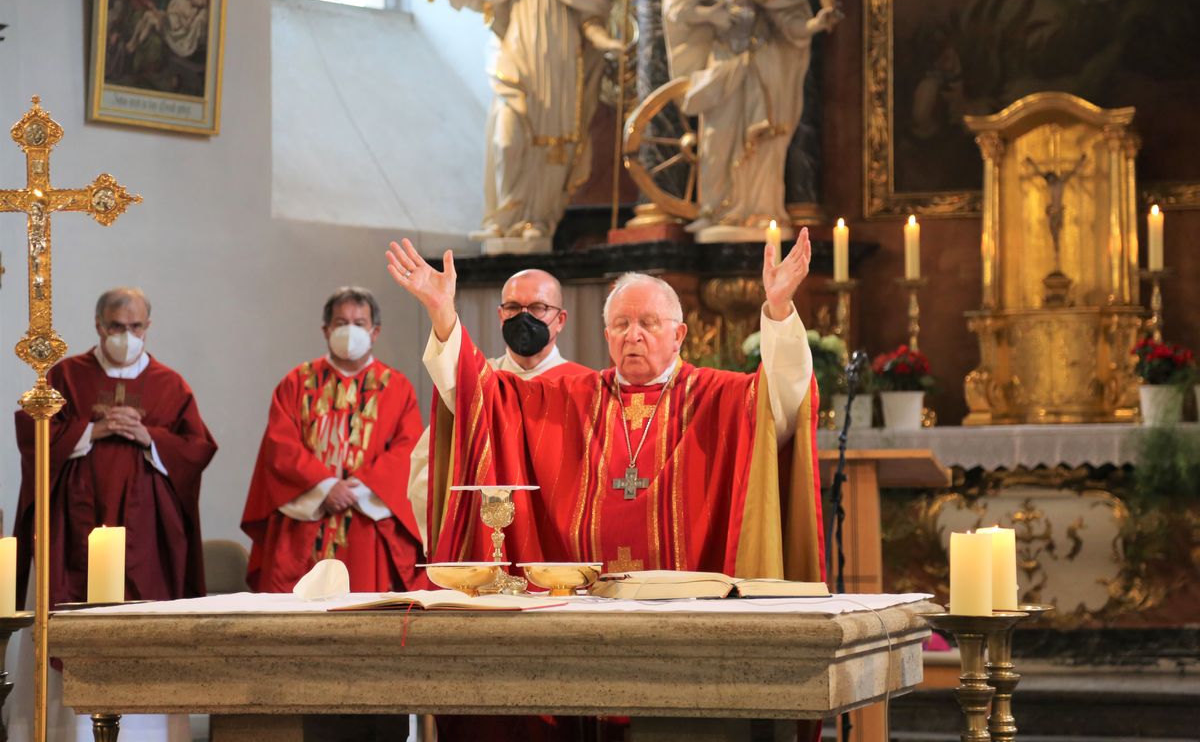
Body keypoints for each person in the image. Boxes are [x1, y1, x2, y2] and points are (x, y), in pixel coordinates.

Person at [387, 233, 823, 582]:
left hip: (689, 607)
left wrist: (780, 309)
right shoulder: (568, 398)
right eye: (621, 324)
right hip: (584, 604)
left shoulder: (718, 396)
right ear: (606, 335)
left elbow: (781, 401)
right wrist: (443, 312)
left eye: (649, 323)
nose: (633, 335)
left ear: (679, 334)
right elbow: (482, 397)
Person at [14, 287, 215, 608]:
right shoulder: (66, 376)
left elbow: (197, 448)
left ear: (147, 326)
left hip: (147, 519)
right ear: (99, 326)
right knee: (76, 604)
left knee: (145, 605)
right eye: (117, 327)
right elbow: (32, 432)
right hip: (77, 515)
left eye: (136, 327)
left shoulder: (170, 384)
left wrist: (149, 437)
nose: (127, 335)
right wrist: (91, 430)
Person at [425, 0, 623, 242]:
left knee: (551, 151)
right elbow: (483, 1)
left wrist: (609, 43)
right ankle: (504, 217)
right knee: (507, 141)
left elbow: (591, 21)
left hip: (559, 78)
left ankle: (538, 220)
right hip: (518, 71)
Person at [241, 287, 424, 593]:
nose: (349, 330)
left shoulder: (397, 387)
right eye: (341, 323)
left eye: (359, 322)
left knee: (366, 618)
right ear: (326, 330)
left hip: (368, 524)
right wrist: (326, 486)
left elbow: (409, 449)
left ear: (375, 331)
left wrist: (358, 488)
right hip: (304, 524)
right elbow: (280, 447)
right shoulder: (296, 383)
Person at [407, 269, 591, 554]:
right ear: (500, 314)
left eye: (538, 307)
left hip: (559, 540)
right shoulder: (477, 382)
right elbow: (429, 462)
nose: (523, 316)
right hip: (485, 539)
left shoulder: (584, 387)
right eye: (513, 307)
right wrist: (441, 311)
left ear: (560, 320)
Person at [662, 0, 840, 231]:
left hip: (761, 67)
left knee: (764, 141)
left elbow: (786, 21)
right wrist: (709, 15)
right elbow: (675, 7)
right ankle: (715, 210)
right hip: (722, 66)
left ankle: (761, 210)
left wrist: (814, 25)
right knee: (716, 139)